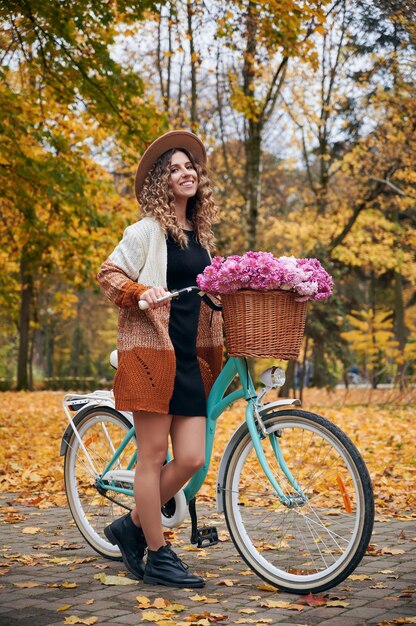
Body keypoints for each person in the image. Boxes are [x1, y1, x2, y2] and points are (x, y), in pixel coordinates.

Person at [97, 130, 223, 589]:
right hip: (153, 355)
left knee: (190, 458)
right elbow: (108, 274)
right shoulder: (146, 231)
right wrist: (139, 291)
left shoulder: (203, 237)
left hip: (190, 358)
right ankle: (158, 554)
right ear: (161, 182)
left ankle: (131, 525)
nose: (185, 172)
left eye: (189, 165)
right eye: (173, 168)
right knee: (152, 457)